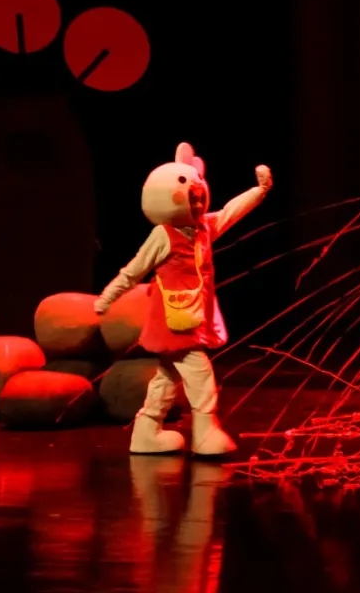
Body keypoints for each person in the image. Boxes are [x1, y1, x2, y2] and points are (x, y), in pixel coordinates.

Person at [94, 142, 272, 456]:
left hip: (193, 316)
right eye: (191, 197)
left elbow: (230, 212)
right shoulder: (164, 235)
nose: (198, 202)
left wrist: (259, 191)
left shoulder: (203, 229)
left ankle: (147, 431)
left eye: (199, 195)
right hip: (173, 319)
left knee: (167, 376)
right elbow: (134, 270)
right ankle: (205, 434)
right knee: (199, 373)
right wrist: (108, 298)